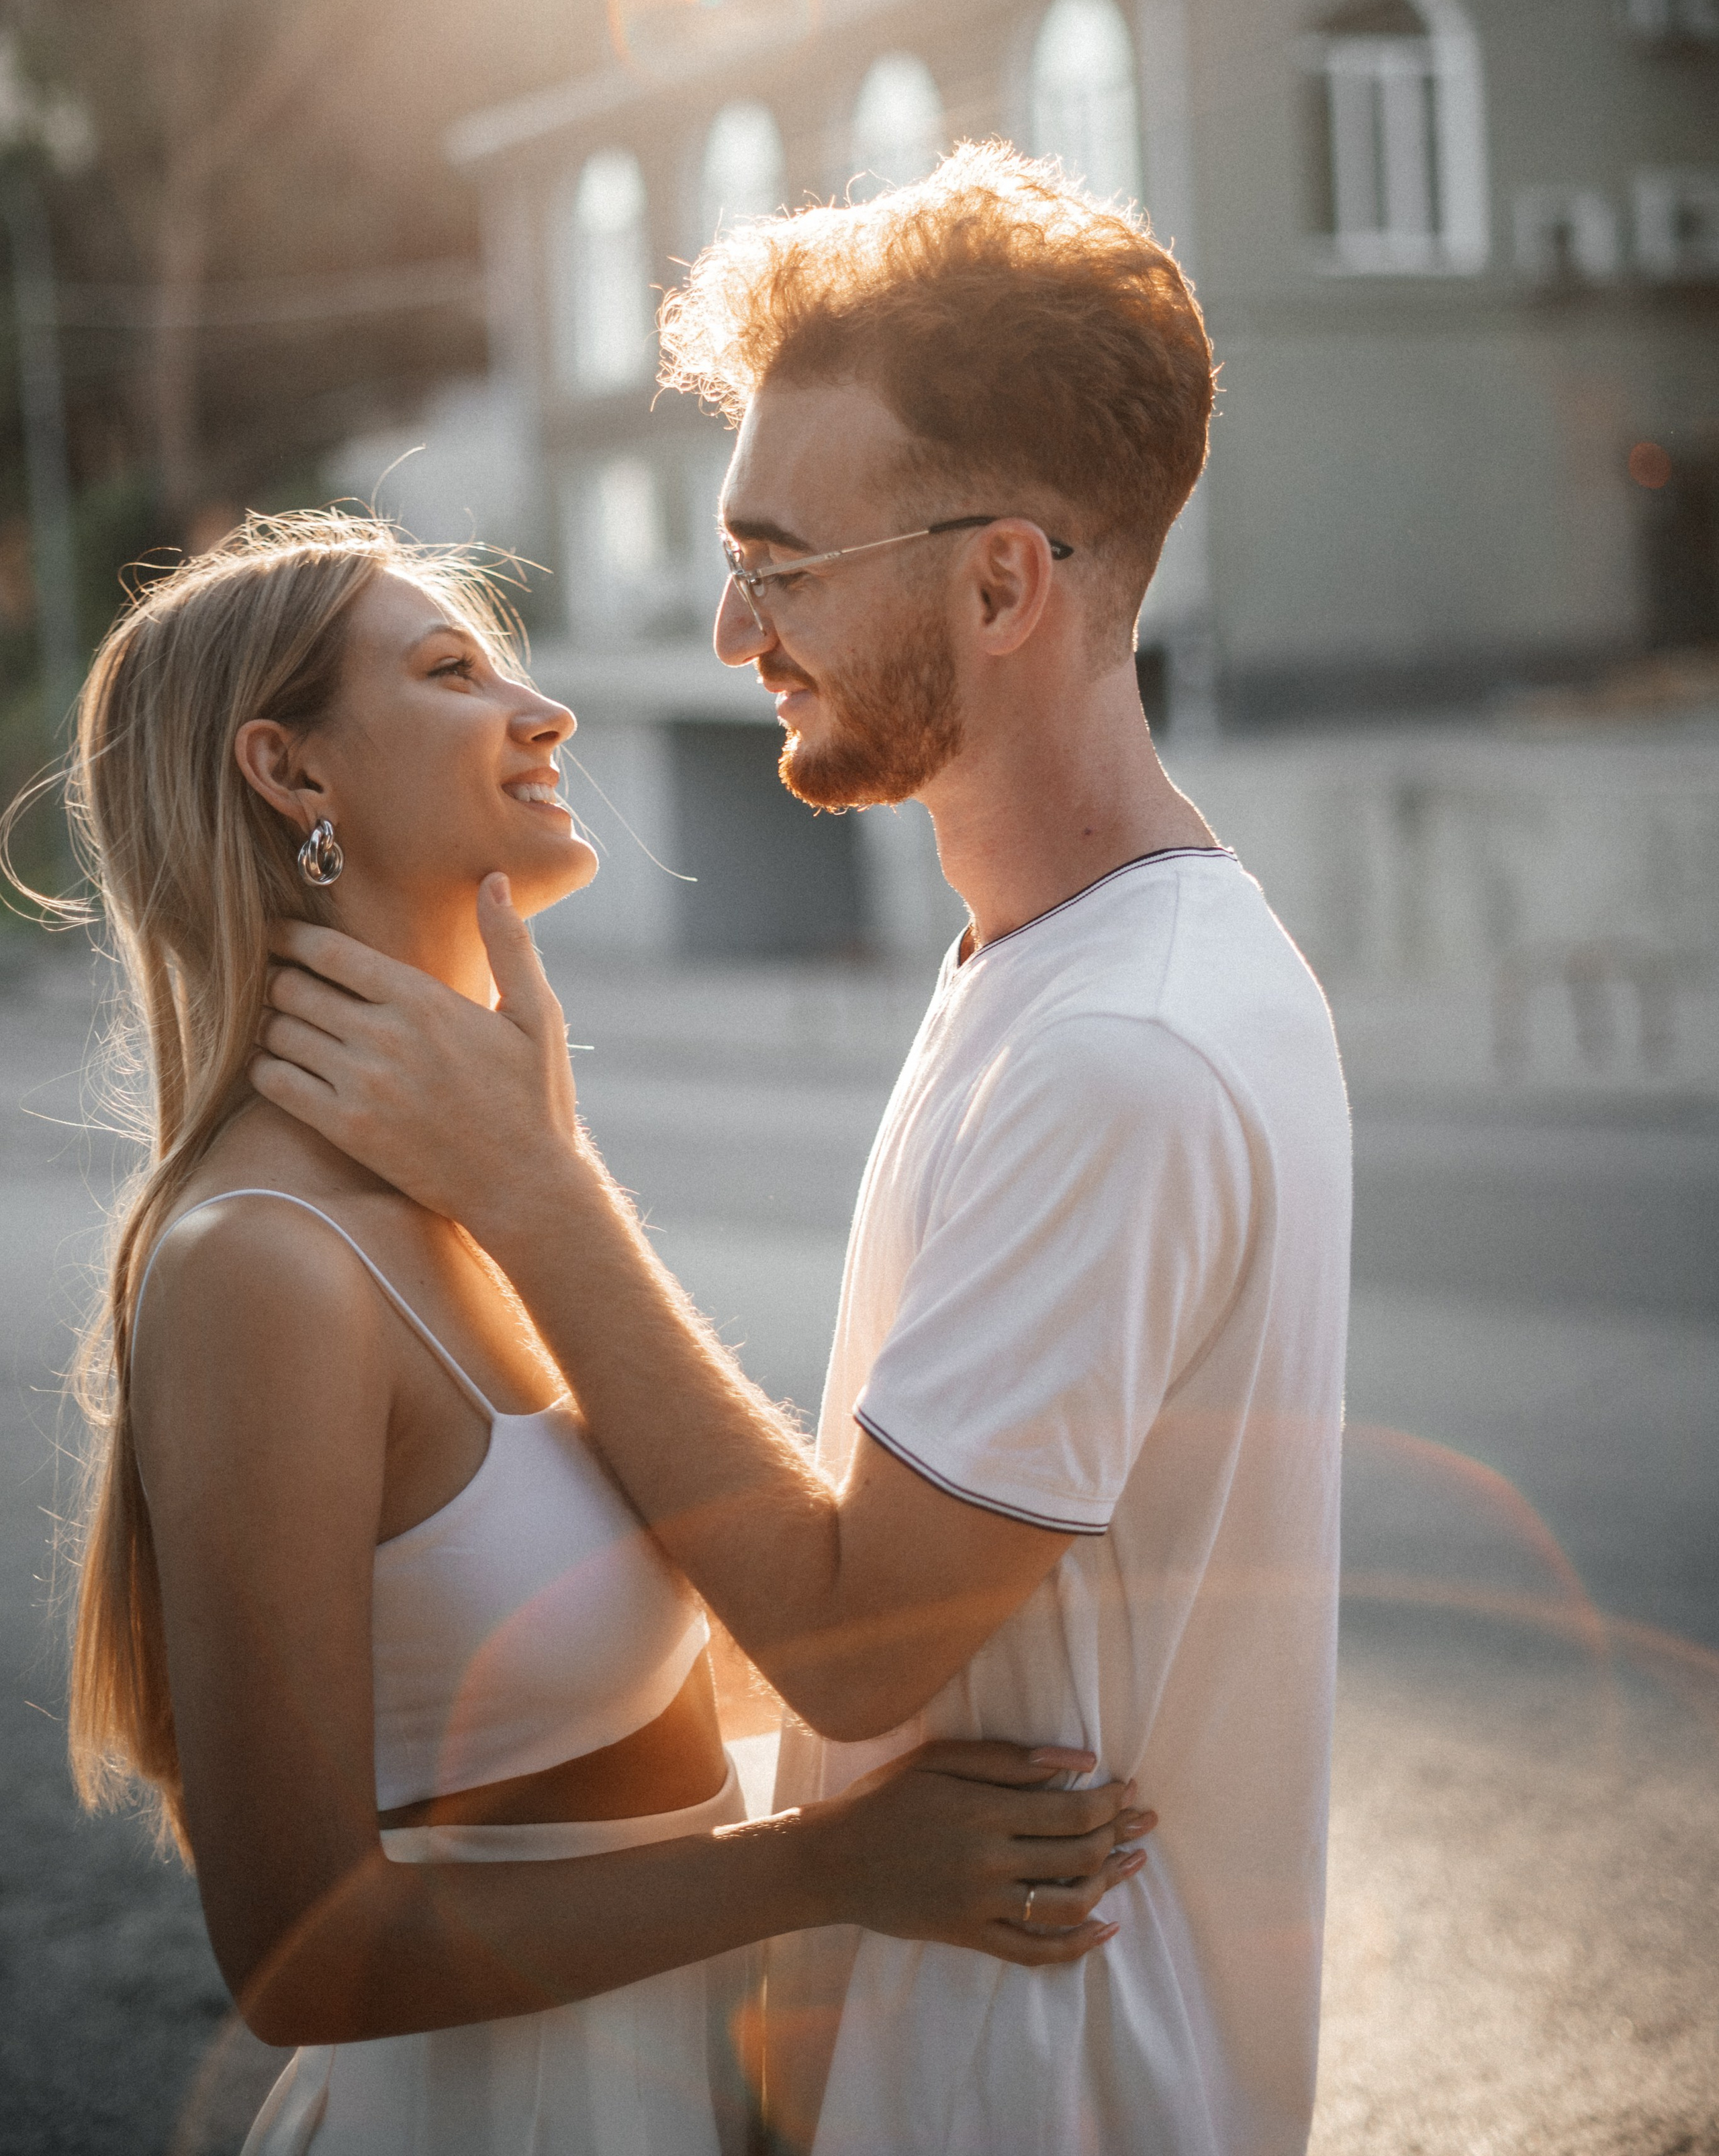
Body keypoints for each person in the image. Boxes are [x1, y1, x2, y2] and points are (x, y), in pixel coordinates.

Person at [253, 144, 1354, 2154]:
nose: (736, 626)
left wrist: (534, 1191)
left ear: (1001, 581)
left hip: (1042, 2091)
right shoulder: (1057, 969)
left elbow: (857, 1647)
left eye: (779, 560)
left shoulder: (1125, 1047)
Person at [40, 510, 1150, 2156]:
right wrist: (832, 1868)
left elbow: (662, 1680)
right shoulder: (260, 1262)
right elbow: (295, 1949)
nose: (542, 712)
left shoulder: (477, 1187)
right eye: (450, 671)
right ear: (292, 774)